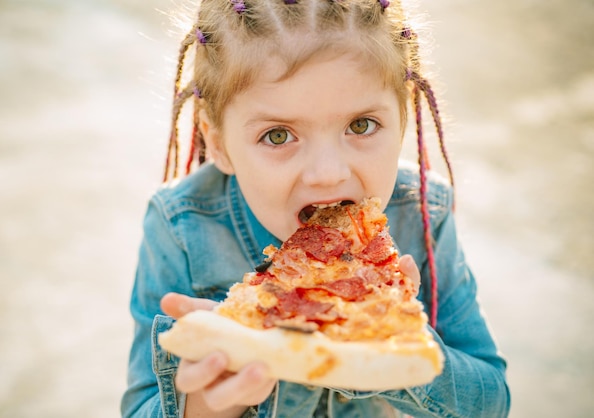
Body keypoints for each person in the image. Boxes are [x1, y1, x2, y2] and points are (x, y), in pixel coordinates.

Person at [121, 0, 511, 417]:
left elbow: (491, 403)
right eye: (277, 136)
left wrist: (392, 336)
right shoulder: (179, 224)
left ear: (403, 119)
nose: (327, 173)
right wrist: (214, 401)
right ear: (217, 143)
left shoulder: (424, 210)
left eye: (360, 125)